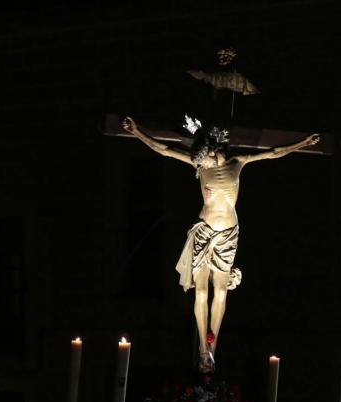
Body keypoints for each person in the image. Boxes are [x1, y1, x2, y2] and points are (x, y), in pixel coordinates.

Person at [122, 116, 320, 372]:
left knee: (222, 291)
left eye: (211, 152)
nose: (208, 157)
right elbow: (165, 150)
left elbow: (272, 153)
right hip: (204, 231)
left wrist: (301, 144)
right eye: (205, 154)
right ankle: (204, 350)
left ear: (220, 149)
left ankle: (212, 348)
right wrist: (138, 131)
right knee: (202, 292)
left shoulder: (238, 163)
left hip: (227, 234)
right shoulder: (201, 166)